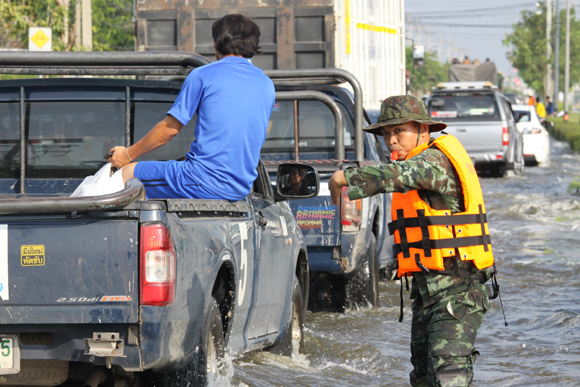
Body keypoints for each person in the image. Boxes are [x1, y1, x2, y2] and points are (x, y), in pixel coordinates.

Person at [328, 95, 495, 387]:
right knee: (422, 379)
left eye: (399, 131)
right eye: (386, 134)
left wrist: (345, 178)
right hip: (427, 293)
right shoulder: (416, 161)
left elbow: (400, 175)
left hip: (457, 292)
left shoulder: (432, 162)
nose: (392, 140)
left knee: (449, 378)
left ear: (423, 130)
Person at [108, 14, 275, 201]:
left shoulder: (203, 75)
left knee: (127, 173)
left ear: (216, 44)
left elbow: (169, 130)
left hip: (201, 181)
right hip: (241, 188)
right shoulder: (266, 84)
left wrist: (127, 154)